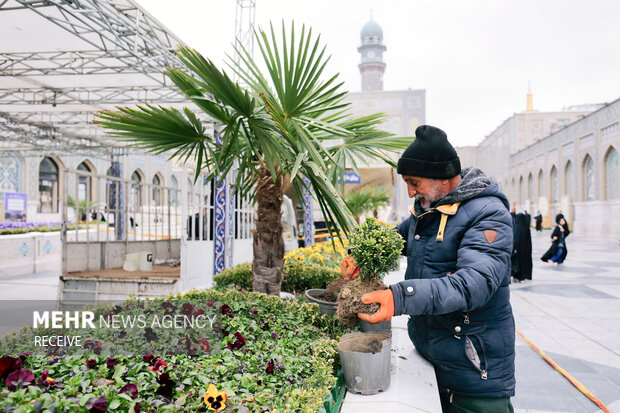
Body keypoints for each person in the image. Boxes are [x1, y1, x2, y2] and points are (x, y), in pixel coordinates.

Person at [343, 125, 515, 412]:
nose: (410, 191)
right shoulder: (428, 209)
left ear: (443, 178)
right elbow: (394, 239)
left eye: (414, 182)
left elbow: (474, 283)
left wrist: (398, 297)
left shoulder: (488, 214)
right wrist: (359, 255)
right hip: (432, 354)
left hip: (472, 370)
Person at [511, 212, 533, 282]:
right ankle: (526, 275)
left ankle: (517, 276)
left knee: (518, 262)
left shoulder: (516, 227)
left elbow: (515, 239)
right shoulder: (526, 227)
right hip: (526, 249)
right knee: (525, 261)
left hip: (518, 249)